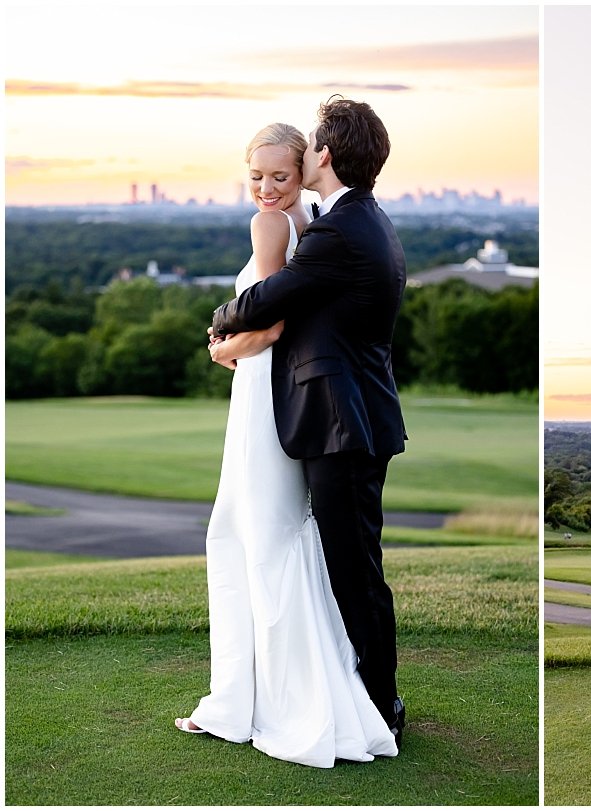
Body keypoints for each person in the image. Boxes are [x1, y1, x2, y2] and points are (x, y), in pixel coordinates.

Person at [174, 121, 398, 767]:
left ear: (310, 164)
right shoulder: (320, 219)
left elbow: (267, 320)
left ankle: (259, 702)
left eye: (279, 174)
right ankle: (284, 695)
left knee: (250, 539)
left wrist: (220, 343)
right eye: (256, 176)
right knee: (279, 541)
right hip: (293, 401)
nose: (266, 188)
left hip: (269, 396)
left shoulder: (275, 226)